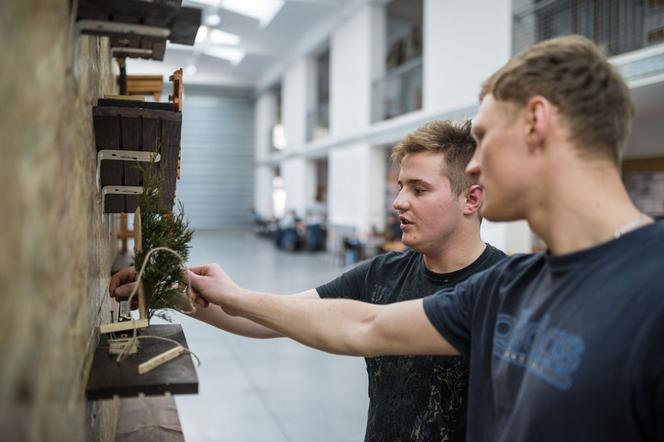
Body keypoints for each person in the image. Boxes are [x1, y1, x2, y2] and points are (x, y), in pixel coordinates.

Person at [178, 35, 664, 442]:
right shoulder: (509, 286)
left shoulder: (651, 286)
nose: (475, 164)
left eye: (487, 137)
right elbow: (365, 325)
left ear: (536, 122)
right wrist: (220, 296)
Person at [110, 120, 506, 441]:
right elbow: (270, 318)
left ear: (471, 199)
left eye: (419, 189)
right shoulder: (384, 273)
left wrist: (235, 295)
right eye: (401, 186)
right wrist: (172, 293)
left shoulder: (505, 290)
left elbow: (360, 326)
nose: (399, 201)